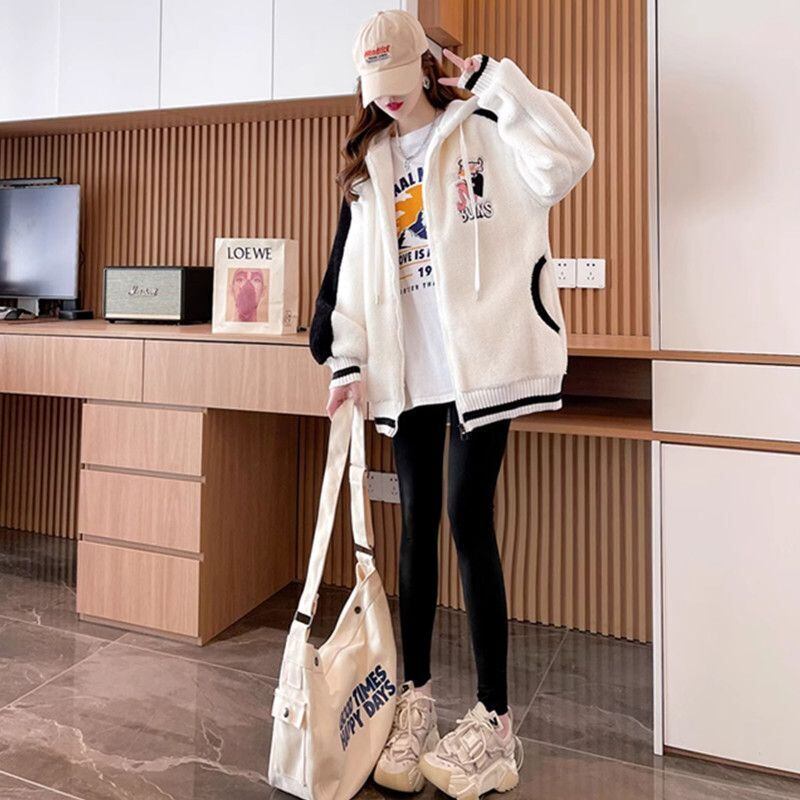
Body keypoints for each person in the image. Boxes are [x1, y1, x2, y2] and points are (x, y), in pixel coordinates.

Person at [309, 9, 594, 799]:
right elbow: (354, 275)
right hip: (409, 374)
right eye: (377, 86)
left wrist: (499, 84)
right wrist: (347, 360)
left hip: (482, 367)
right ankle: (416, 702)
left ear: (427, 66)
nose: (390, 98)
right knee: (416, 529)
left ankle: (496, 724)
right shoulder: (370, 165)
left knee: (469, 521)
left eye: (400, 81)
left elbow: (570, 157)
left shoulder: (484, 127)